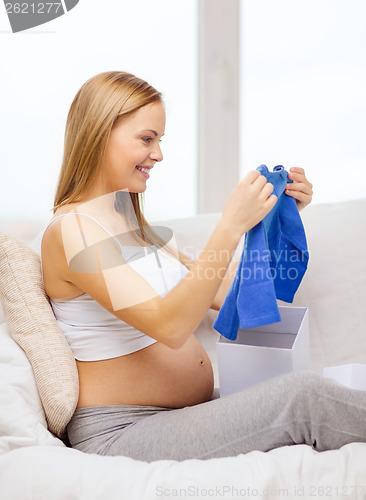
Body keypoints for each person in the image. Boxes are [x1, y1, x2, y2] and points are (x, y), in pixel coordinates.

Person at [41, 70, 366, 462]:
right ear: (99, 133)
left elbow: (232, 296)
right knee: (305, 398)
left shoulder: (131, 221)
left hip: (171, 416)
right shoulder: (73, 230)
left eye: (159, 140)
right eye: (147, 139)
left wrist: (275, 219)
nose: (158, 154)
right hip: (123, 430)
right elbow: (170, 326)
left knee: (325, 385)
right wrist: (230, 224)